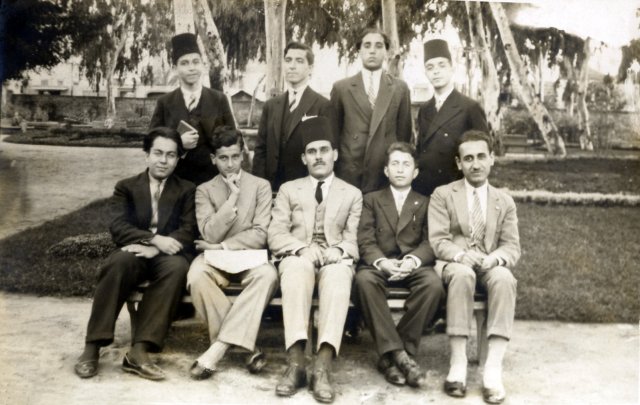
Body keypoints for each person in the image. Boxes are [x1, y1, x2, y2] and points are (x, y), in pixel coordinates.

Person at [74, 127, 197, 380]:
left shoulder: (186, 189)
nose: (164, 161)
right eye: (158, 153)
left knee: (176, 269)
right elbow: (118, 226)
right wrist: (153, 239)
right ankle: (92, 345)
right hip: (137, 250)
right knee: (117, 263)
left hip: (168, 255)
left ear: (178, 159)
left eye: (171, 155)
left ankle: (139, 351)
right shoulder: (127, 187)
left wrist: (158, 247)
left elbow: (188, 229)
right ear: (146, 155)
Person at [268, 116, 362, 403]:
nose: (318, 157)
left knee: (337, 276)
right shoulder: (288, 189)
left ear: (335, 154)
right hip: (298, 256)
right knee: (296, 270)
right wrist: (299, 248)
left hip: (335, 259)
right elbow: (275, 232)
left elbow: (354, 236)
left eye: (324, 150)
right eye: (312, 151)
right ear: (303, 158)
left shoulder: (352, 193)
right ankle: (296, 363)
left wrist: (341, 250)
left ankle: (322, 365)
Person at [428, 130, 520, 404]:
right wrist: (459, 255)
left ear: (492, 159)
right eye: (468, 158)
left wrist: (494, 259)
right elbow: (438, 239)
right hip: (456, 263)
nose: (475, 164)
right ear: (458, 163)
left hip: (488, 261)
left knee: (504, 278)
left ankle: (492, 368)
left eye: (481, 156)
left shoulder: (504, 201)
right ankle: (458, 364)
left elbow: (511, 246)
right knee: (462, 275)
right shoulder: (443, 194)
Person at [186, 126, 278, 379]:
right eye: (223, 158)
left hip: (249, 258)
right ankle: (246, 346)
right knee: (196, 277)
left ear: (243, 155)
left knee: (268, 276)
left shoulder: (260, 186)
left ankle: (218, 349)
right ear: (213, 159)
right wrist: (232, 199)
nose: (230, 164)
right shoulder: (204, 190)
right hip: (214, 260)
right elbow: (208, 234)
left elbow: (261, 233)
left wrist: (221, 246)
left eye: (235, 156)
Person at [353, 142, 444, 388]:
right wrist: (382, 262)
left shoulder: (425, 202)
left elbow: (430, 240)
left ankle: (391, 355)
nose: (400, 170)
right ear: (386, 171)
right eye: (395, 164)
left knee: (433, 285)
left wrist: (413, 260)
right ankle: (402, 358)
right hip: (380, 264)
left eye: (406, 165)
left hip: (413, 265)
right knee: (363, 281)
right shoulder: (371, 200)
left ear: (415, 172)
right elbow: (365, 239)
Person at [330, 28, 412, 194]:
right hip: (350, 173)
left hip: (384, 173)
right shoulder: (342, 88)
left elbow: (404, 136)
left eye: (378, 45)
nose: (372, 50)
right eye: (367, 45)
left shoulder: (399, 88)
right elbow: (333, 134)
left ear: (386, 51)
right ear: (359, 51)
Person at [150, 33, 235, 186]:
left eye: (196, 62)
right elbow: (151, 143)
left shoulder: (219, 99)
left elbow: (232, 139)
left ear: (203, 65)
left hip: (213, 182)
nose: (191, 68)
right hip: (175, 183)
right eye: (185, 63)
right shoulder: (164, 102)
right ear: (175, 68)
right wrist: (178, 143)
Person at [252, 41, 334, 191]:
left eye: (299, 61)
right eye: (288, 60)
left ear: (310, 68)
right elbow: (260, 151)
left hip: (306, 189)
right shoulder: (271, 106)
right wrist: (259, 187)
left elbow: (326, 153)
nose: (292, 66)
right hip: (272, 188)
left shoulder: (323, 105)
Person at [414, 39, 489, 197]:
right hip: (424, 190)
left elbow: (482, 156)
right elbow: (421, 152)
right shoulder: (425, 109)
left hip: (456, 191)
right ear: (425, 73)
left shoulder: (470, 107)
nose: (436, 71)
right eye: (430, 67)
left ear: (452, 68)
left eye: (442, 65)